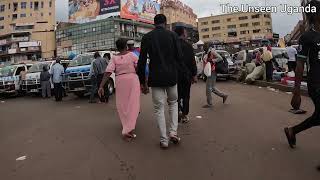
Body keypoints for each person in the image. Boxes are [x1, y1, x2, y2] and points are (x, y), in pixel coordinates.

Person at [137, 14, 183, 149]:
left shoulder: (147, 37)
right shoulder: (173, 36)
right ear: (165, 23)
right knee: (173, 103)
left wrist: (142, 82)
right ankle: (173, 132)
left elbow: (141, 62)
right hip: (171, 77)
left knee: (159, 109)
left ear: (154, 23)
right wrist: (181, 74)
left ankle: (164, 140)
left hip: (155, 78)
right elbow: (179, 57)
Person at [284, 0, 320, 152]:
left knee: (318, 117)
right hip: (316, 83)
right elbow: (300, 65)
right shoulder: (307, 37)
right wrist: (296, 91)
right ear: (316, 15)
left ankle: (293, 131)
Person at [98, 39, 140, 141]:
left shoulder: (114, 58)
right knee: (133, 104)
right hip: (133, 80)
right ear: (126, 46)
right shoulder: (132, 55)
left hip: (120, 81)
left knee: (122, 105)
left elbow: (107, 73)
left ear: (117, 47)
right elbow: (139, 67)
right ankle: (128, 130)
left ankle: (127, 128)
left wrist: (101, 86)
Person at [174, 26, 197, 123]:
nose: (187, 33)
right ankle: (184, 115)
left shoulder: (172, 45)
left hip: (174, 75)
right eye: (186, 32)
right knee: (186, 96)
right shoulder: (188, 46)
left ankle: (178, 111)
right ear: (183, 33)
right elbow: (192, 61)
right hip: (186, 75)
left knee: (176, 96)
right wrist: (194, 75)